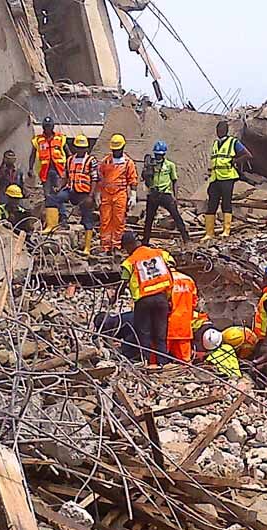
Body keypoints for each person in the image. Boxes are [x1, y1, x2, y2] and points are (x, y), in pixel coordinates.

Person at [114, 231, 174, 366]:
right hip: (161, 299)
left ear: (130, 245)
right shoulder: (159, 253)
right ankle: (162, 364)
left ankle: (146, 363)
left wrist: (115, 298)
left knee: (144, 334)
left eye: (125, 248)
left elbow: (123, 282)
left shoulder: (130, 262)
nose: (126, 251)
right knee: (160, 334)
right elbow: (171, 264)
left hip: (144, 301)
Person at [45, 134, 99, 253]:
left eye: (82, 147)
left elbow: (94, 179)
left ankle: (87, 247)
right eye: (78, 147)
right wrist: (59, 187)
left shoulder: (91, 161)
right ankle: (51, 225)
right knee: (53, 199)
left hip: (84, 193)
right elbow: (65, 176)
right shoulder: (70, 160)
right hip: (71, 190)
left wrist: (91, 196)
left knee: (87, 218)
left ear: (86, 148)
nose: (80, 150)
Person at [204, 120, 252, 240]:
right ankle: (209, 233)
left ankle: (226, 230)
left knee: (226, 203)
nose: (219, 132)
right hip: (215, 178)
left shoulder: (233, 142)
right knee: (211, 205)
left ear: (225, 130)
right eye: (217, 129)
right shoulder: (215, 144)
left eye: (221, 129)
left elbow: (247, 155)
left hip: (227, 177)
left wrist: (235, 161)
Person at [143, 140, 191, 244]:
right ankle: (145, 241)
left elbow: (174, 181)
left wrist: (175, 197)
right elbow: (146, 180)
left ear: (164, 154)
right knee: (149, 219)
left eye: (160, 155)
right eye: (156, 155)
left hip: (165, 193)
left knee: (176, 215)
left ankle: (186, 238)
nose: (158, 157)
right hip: (153, 193)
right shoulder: (151, 165)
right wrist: (147, 171)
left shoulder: (170, 165)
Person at [98, 134, 138, 252]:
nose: (116, 151)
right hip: (106, 194)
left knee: (118, 220)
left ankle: (116, 245)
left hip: (120, 194)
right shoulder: (106, 161)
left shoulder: (127, 162)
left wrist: (133, 195)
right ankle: (105, 246)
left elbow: (133, 179)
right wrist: (97, 194)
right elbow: (100, 178)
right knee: (105, 220)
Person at [29, 117, 67, 196]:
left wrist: (69, 168)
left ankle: (57, 207)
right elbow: (32, 155)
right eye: (46, 126)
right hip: (45, 170)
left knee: (58, 191)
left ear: (52, 126)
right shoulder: (38, 139)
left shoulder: (60, 138)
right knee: (47, 193)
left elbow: (68, 152)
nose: (48, 128)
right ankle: (48, 206)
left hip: (58, 170)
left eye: (49, 126)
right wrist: (30, 168)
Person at [167, 270, 199, 363]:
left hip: (167, 326)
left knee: (158, 361)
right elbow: (194, 302)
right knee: (185, 363)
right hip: (184, 326)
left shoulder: (164, 280)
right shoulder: (188, 280)